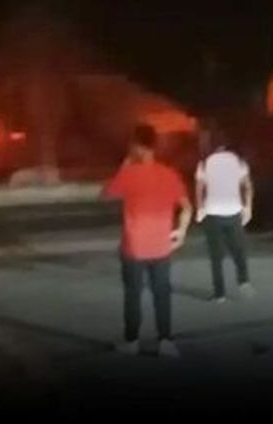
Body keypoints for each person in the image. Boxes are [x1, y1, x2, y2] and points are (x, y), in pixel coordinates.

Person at [102, 125, 192, 357]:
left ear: (137, 146)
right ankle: (166, 341)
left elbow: (106, 194)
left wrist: (125, 164)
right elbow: (187, 207)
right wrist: (180, 232)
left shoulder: (129, 174)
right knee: (162, 294)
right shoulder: (169, 174)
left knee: (133, 295)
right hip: (161, 247)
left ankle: (132, 341)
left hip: (134, 247)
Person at [195, 128, 254, 303]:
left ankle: (219, 294)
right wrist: (248, 208)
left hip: (212, 213)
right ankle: (243, 280)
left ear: (211, 144)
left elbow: (199, 188)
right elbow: (248, 186)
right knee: (239, 249)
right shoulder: (238, 161)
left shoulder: (205, 163)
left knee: (216, 256)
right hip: (233, 211)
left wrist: (200, 208)